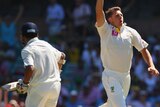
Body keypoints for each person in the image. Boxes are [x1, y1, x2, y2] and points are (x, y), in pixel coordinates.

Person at [95, 0, 159, 107]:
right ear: (110, 19)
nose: (120, 17)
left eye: (121, 15)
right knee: (120, 105)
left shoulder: (131, 32)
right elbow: (98, 11)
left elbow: (143, 49)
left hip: (126, 77)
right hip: (111, 76)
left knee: (111, 105)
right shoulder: (105, 30)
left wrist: (151, 65)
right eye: (117, 16)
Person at [16, 22, 66, 107]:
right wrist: (57, 73)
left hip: (39, 88)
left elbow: (29, 67)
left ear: (22, 36)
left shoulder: (27, 49)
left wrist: (24, 84)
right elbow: (62, 56)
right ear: (37, 34)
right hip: (55, 87)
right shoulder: (46, 44)